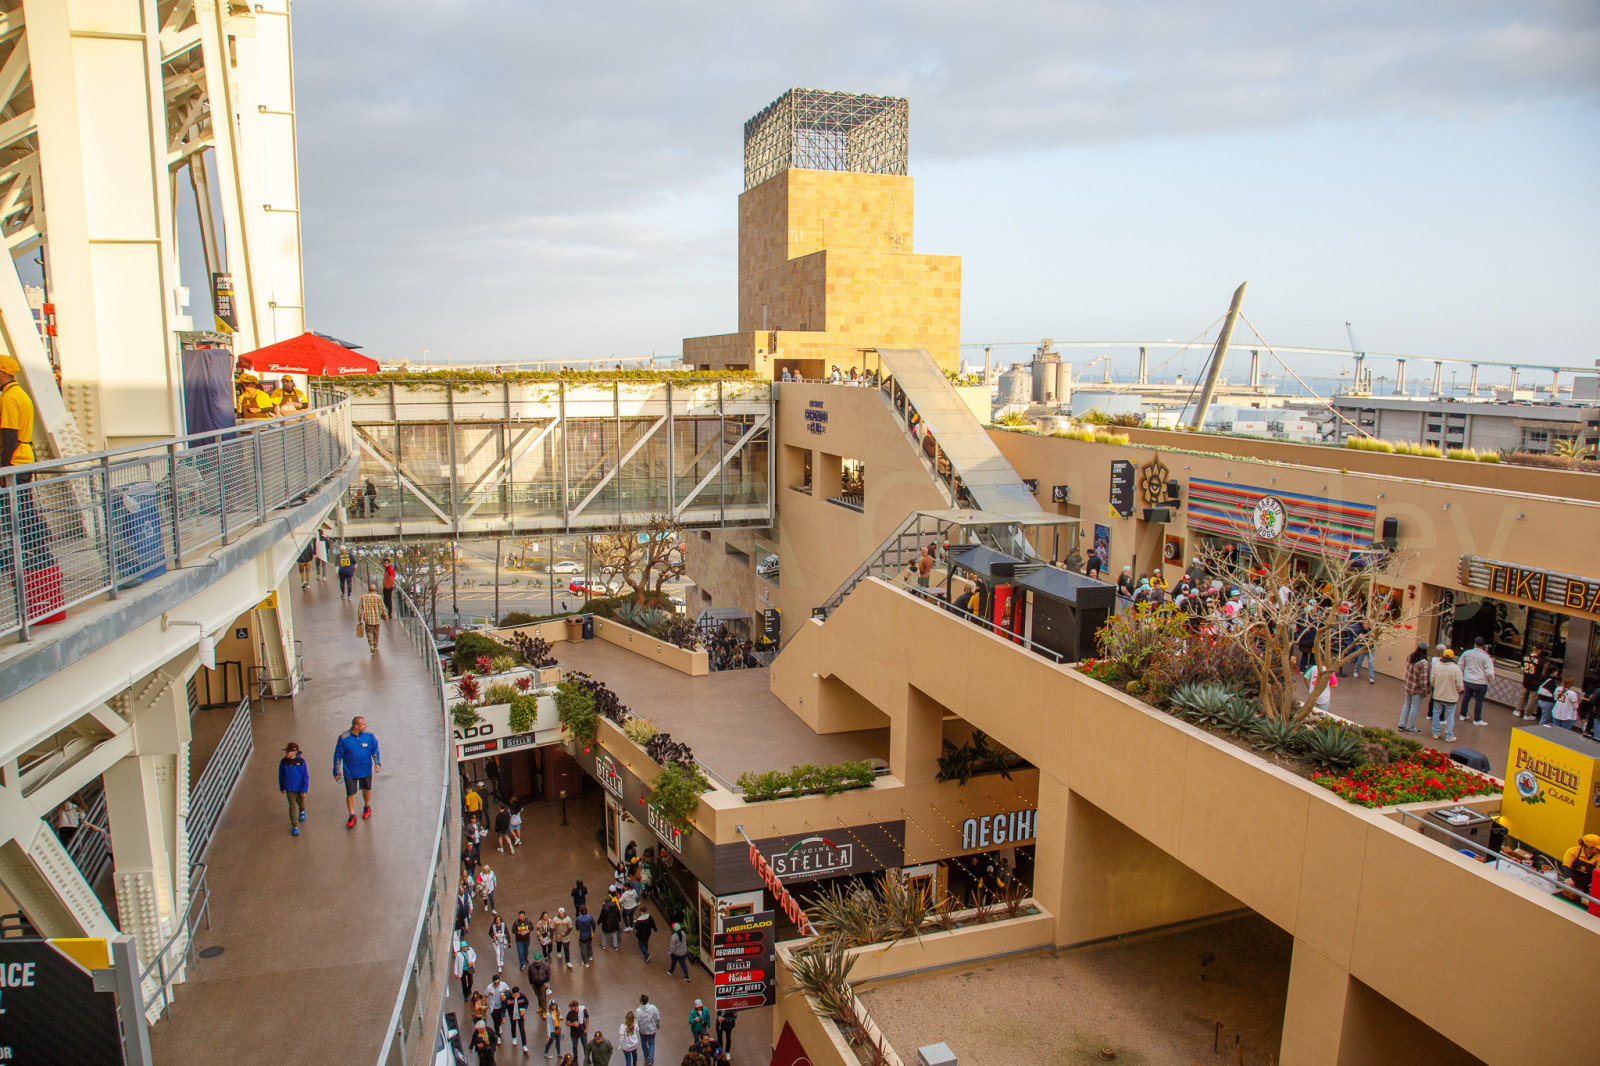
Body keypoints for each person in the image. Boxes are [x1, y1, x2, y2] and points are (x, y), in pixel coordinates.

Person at [0, 356, 53, 577]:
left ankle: (35, 556)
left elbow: (9, 435)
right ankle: (40, 554)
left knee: (15, 511)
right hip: (25, 458)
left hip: (15, 462)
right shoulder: (21, 395)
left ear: (4, 373)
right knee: (24, 509)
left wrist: (3, 467)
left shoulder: (8, 398)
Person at [332, 715, 381, 828]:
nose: (366, 725)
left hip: (365, 770)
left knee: (367, 788)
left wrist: (377, 763)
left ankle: (367, 807)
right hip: (350, 772)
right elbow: (338, 756)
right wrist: (336, 771)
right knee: (350, 793)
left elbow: (374, 749)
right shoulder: (344, 738)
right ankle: (352, 815)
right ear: (356, 726)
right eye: (363, 724)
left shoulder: (369, 735)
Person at [1458, 635, 1495, 725]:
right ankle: (1477, 719)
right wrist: (1490, 681)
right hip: (1481, 682)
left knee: (1466, 697)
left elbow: (1460, 665)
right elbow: (1490, 672)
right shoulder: (1486, 657)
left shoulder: (1466, 653)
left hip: (1468, 680)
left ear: (1475, 644)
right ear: (1483, 645)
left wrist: (1462, 676)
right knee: (1479, 701)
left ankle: (1462, 715)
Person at [1430, 649, 1464, 743]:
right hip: (1451, 697)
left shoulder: (1437, 666)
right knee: (1450, 716)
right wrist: (1457, 690)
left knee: (1436, 714)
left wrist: (1436, 687)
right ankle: (1449, 736)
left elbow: (1432, 681)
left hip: (1438, 695)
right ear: (1452, 657)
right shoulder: (1456, 668)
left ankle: (1436, 733)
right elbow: (1459, 684)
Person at [1398, 642, 1430, 733]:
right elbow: (1423, 680)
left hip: (1408, 686)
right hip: (1417, 689)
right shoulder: (1423, 663)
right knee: (1414, 708)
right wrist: (1425, 691)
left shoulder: (1410, 657)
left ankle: (1402, 724)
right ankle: (1411, 727)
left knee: (1407, 704)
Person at [278, 742, 310, 835]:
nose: (286, 753)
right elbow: (281, 775)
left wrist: (304, 790)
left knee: (301, 803)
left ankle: (302, 810)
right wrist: (282, 786)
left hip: (299, 788)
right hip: (289, 789)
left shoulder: (301, 762)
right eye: (286, 751)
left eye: (288, 751)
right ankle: (295, 826)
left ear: (294, 752)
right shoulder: (283, 762)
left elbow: (305, 776)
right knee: (292, 807)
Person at [358, 581, 389, 653]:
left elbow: (360, 608)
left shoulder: (363, 597)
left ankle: (371, 645)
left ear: (368, 590)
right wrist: (386, 616)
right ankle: (376, 645)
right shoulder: (379, 597)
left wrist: (359, 617)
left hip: (368, 619)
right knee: (376, 633)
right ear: (375, 590)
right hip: (377, 619)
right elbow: (383, 607)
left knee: (369, 632)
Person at [1517, 646, 1546, 719]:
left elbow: (1522, 665)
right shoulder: (1541, 660)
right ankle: (1527, 714)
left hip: (1526, 679)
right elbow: (1543, 671)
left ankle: (1518, 710)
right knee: (1532, 698)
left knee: (1523, 696)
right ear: (1539, 651)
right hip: (1535, 681)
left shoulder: (1525, 657)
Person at [634, 995, 660, 1066]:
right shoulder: (653, 1008)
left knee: (643, 1043)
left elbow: (636, 1021)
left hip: (642, 1030)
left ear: (641, 1001)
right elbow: (657, 1016)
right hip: (651, 1030)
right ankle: (651, 1060)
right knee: (651, 1044)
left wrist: (637, 1029)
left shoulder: (638, 1011)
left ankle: (646, 1054)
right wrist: (657, 1023)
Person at [506, 985, 530, 1052]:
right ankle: (514, 1037)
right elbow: (505, 1006)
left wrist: (524, 1009)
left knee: (522, 1029)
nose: (516, 996)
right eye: (514, 995)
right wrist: (504, 1016)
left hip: (520, 1015)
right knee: (513, 1027)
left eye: (517, 994)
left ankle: (524, 1045)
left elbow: (526, 1002)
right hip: (512, 1015)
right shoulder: (508, 998)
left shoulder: (522, 996)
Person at [487, 971, 511, 1037]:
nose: (497, 984)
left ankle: (499, 1026)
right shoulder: (489, 987)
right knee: (495, 1021)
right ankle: (498, 1036)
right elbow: (485, 995)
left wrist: (505, 996)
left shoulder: (504, 985)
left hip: (501, 1006)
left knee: (499, 1019)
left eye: (498, 983)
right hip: (493, 1007)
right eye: (495, 983)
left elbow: (508, 991)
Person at [454, 935, 477, 999]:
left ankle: (468, 990)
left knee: (471, 982)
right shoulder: (458, 954)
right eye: (463, 947)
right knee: (464, 983)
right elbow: (456, 963)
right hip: (462, 970)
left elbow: (474, 956)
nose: (465, 948)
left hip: (469, 968)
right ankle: (465, 995)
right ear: (461, 948)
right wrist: (456, 973)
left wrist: (472, 962)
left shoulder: (471, 950)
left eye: (465, 947)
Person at [541, 995, 564, 1059]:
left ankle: (559, 1053)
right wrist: (548, 1033)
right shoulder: (548, 1014)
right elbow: (548, 1024)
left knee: (558, 1041)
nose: (554, 1006)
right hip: (552, 1029)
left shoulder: (558, 1010)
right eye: (552, 1005)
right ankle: (546, 1052)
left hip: (557, 1028)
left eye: (555, 1005)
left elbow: (558, 1017)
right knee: (551, 1041)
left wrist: (560, 1018)